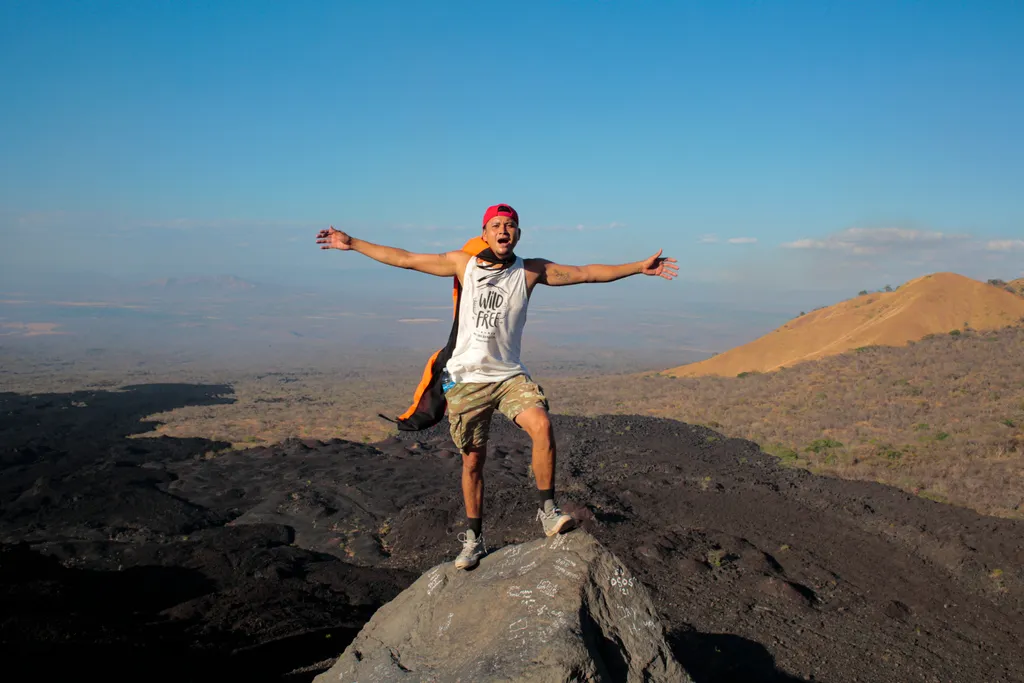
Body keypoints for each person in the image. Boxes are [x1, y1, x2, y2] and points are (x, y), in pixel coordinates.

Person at [316, 204, 677, 569]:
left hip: (508, 377)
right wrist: (352, 242)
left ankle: (548, 512)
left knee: (542, 425)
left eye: (510, 225)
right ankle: (473, 541)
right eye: (496, 225)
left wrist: (637, 268)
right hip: (466, 381)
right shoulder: (463, 264)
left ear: (517, 234)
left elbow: (586, 273)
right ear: (485, 233)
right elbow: (406, 258)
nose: (503, 230)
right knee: (473, 463)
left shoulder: (530, 271)